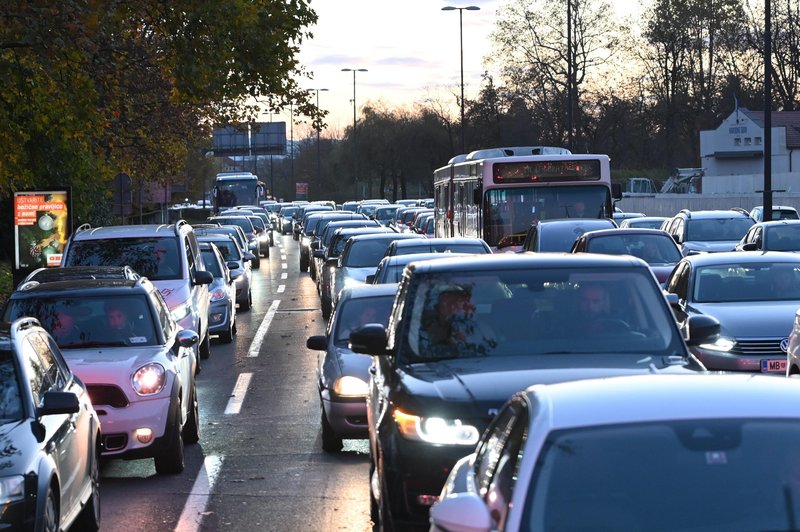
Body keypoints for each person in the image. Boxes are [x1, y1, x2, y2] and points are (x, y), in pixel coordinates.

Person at [422, 287, 496, 356]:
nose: (454, 309)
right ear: (438, 310)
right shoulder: (428, 333)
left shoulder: (482, 329)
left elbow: (491, 349)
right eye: (448, 305)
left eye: (464, 306)